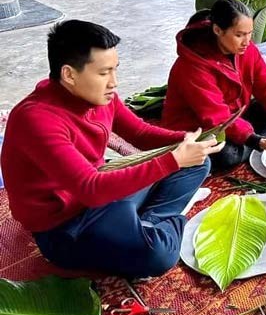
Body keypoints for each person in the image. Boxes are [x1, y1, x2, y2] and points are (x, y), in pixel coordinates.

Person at [0, 20, 223, 279]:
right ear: (69, 75)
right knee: (158, 255)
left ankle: (150, 221)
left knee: (198, 161)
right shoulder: (36, 120)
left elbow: (140, 133)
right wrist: (173, 160)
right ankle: (159, 222)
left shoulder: (99, 96)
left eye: (115, 70)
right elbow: (90, 189)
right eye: (104, 73)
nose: (114, 82)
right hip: (66, 225)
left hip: (104, 191)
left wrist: (187, 138)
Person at [162, 0, 266, 170]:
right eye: (239, 35)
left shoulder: (247, 50)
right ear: (218, 30)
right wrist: (258, 141)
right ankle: (254, 144)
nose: (247, 41)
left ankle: (250, 142)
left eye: (249, 33)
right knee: (227, 156)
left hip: (234, 116)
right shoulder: (192, 67)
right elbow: (216, 117)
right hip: (199, 129)